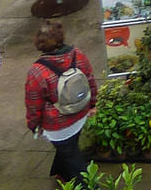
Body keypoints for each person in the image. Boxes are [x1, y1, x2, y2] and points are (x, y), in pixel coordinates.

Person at [24, 20, 96, 185]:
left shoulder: (37, 71)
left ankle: (89, 185)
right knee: (68, 148)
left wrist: (33, 125)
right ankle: (60, 173)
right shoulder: (78, 55)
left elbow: (33, 104)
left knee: (73, 159)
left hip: (57, 125)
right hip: (80, 112)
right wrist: (92, 105)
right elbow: (90, 81)